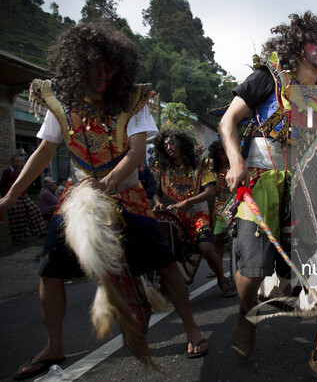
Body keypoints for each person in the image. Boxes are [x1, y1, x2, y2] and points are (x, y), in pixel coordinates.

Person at [0, 21, 207, 380]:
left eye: (109, 69)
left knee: (164, 261)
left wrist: (108, 183)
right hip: (78, 199)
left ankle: (192, 329)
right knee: (49, 268)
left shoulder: (133, 100)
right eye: (93, 69)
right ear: (76, 68)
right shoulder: (58, 101)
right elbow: (44, 152)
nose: (102, 77)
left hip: (128, 195)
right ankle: (54, 345)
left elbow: (137, 152)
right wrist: (7, 198)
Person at [219, 11, 317, 381]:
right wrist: (236, 162)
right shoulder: (267, 78)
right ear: (297, 44)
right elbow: (228, 121)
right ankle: (245, 312)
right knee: (254, 267)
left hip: (312, 183)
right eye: (316, 41)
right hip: (263, 179)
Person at [152, 129, 235, 297]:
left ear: (182, 143)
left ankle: (221, 279)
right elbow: (157, 194)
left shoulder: (201, 165)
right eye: (165, 145)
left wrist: (187, 202)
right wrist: (158, 204)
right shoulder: (163, 169)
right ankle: (177, 285)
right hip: (175, 218)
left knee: (206, 247)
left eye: (172, 143)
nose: (169, 147)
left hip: (199, 214)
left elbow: (210, 192)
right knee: (170, 252)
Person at [0, 154, 46, 245]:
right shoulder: (8, 171)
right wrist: (6, 198)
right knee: (18, 217)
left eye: (20, 161)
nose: (18, 163)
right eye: (16, 161)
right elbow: (2, 185)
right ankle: (18, 239)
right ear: (12, 162)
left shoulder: (21, 171)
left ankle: (40, 231)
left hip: (23, 195)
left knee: (34, 210)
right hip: (13, 196)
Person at [207, 140, 231, 278]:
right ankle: (218, 268)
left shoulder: (236, 165)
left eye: (225, 151)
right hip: (219, 209)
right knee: (217, 239)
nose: (222, 155)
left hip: (237, 206)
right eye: (219, 152)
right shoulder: (212, 170)